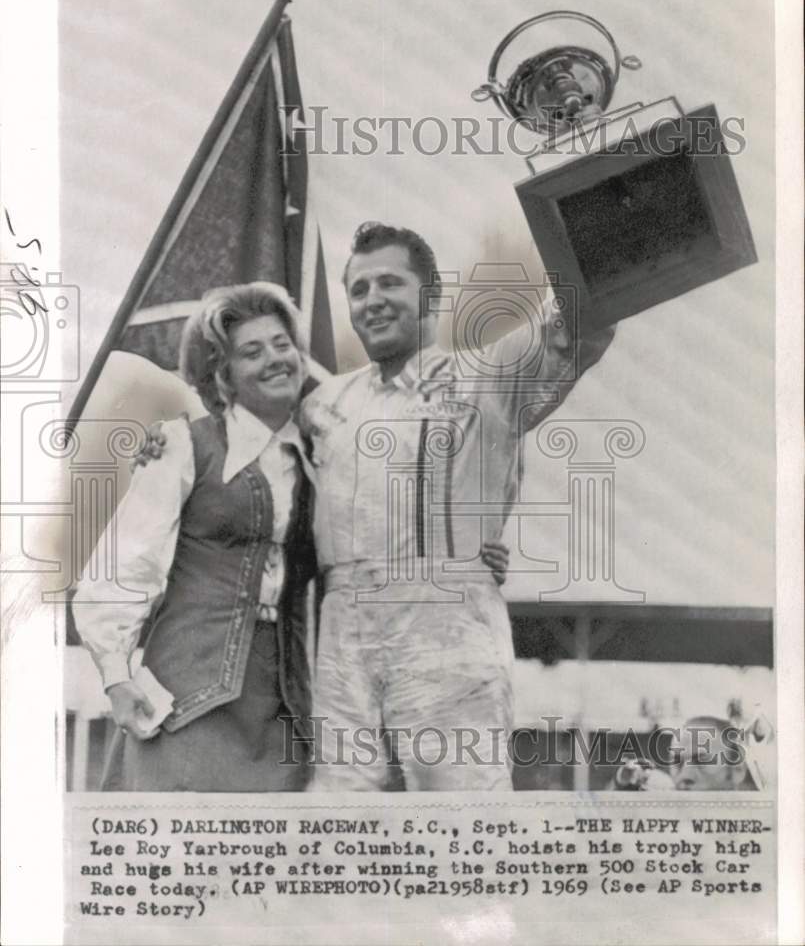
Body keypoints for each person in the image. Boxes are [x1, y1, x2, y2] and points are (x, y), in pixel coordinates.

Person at [298, 222, 615, 791]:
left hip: (446, 619)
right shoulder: (324, 404)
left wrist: (594, 214)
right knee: (341, 820)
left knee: (463, 817)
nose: (372, 300)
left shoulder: (486, 376)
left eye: (390, 283)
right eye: (359, 289)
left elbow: (576, 322)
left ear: (432, 294)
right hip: (343, 628)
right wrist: (158, 445)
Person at [73, 283, 319, 791]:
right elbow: (126, 564)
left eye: (282, 344)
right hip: (188, 703)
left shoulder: (319, 458)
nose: (275, 359)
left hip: (283, 709)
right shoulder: (184, 444)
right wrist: (117, 676)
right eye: (252, 351)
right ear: (223, 374)